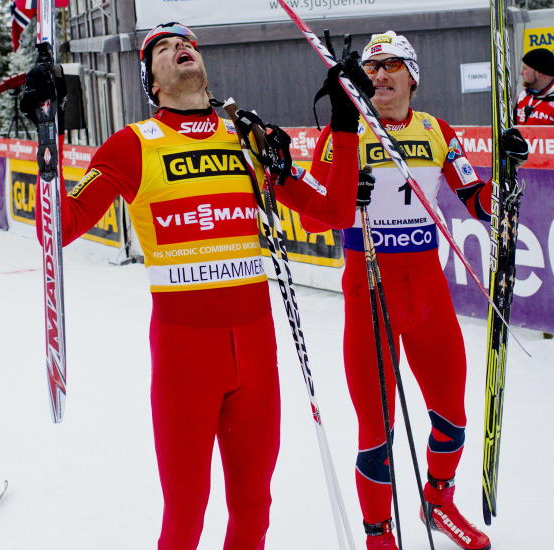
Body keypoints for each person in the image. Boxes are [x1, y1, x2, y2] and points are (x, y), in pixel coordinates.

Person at [23, 21, 368, 550]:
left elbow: (334, 212)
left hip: (255, 350)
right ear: (152, 84)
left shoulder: (248, 136)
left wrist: (345, 124)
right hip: (186, 355)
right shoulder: (131, 145)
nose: (179, 47)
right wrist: (48, 129)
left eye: (185, 43)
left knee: (254, 510)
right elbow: (58, 230)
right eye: (162, 48)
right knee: (186, 516)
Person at [302, 31, 528, 550]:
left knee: (452, 415)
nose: (379, 75)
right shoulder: (347, 130)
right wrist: (343, 187)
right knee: (375, 429)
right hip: (369, 291)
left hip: (427, 293)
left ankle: (439, 502)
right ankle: (379, 535)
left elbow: (481, 204)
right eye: (373, 67)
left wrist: (510, 176)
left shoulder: (438, 131)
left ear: (413, 78)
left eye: (391, 66)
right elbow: (314, 210)